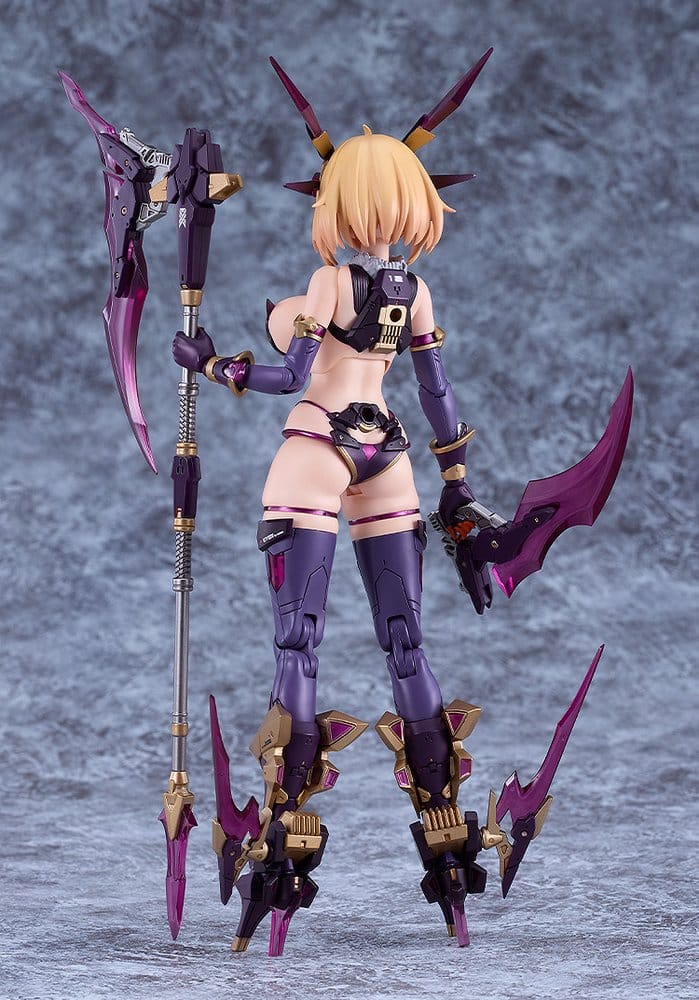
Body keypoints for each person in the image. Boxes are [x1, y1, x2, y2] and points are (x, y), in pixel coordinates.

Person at [173, 54, 493, 953]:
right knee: (405, 643)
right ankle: (446, 845)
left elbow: (287, 378)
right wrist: (457, 484)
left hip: (318, 446)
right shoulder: (414, 291)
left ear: (338, 203)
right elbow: (436, 396)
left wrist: (211, 363)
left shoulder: (328, 284)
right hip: (388, 453)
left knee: (299, 644)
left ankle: (282, 842)